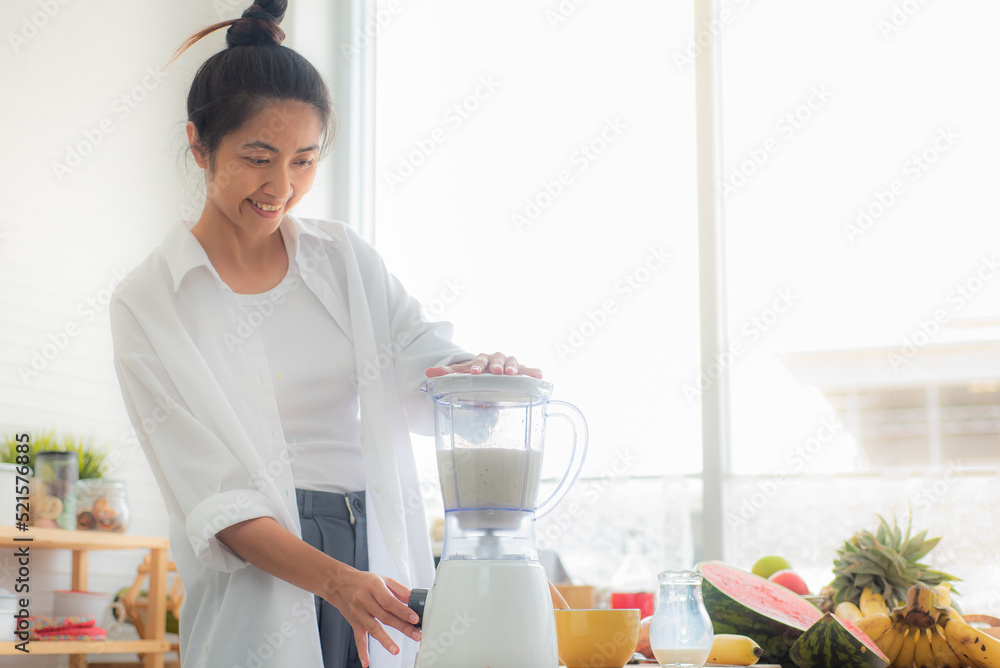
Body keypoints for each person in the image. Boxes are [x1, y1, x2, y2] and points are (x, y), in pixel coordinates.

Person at [109, 3, 560, 668]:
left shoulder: (345, 260)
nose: (281, 187)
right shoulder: (150, 301)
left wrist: (473, 374)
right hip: (265, 564)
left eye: (304, 160)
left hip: (373, 546)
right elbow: (214, 499)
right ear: (200, 144)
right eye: (258, 158)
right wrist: (334, 581)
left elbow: (419, 363)